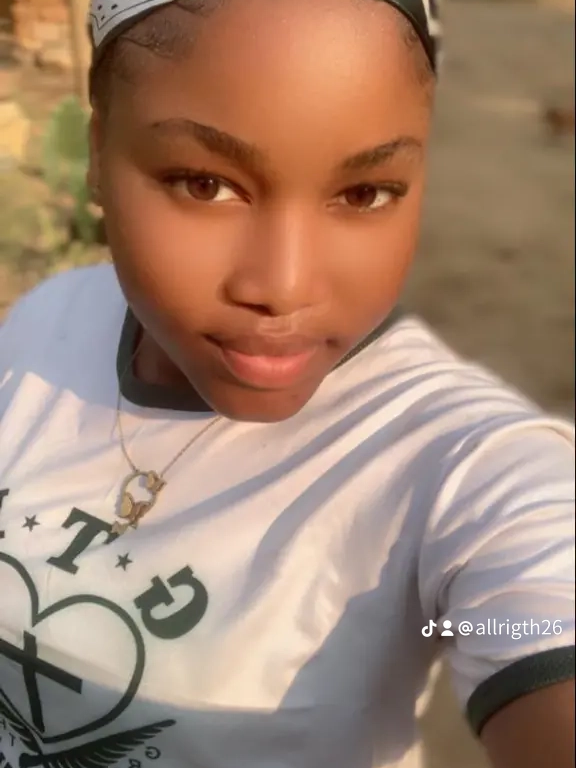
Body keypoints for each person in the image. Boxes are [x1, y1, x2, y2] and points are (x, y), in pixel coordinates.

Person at [0, 0, 573, 766]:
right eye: (204, 184)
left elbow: (532, 619)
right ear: (98, 151)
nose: (284, 286)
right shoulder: (48, 324)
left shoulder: (463, 464)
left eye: (365, 193)